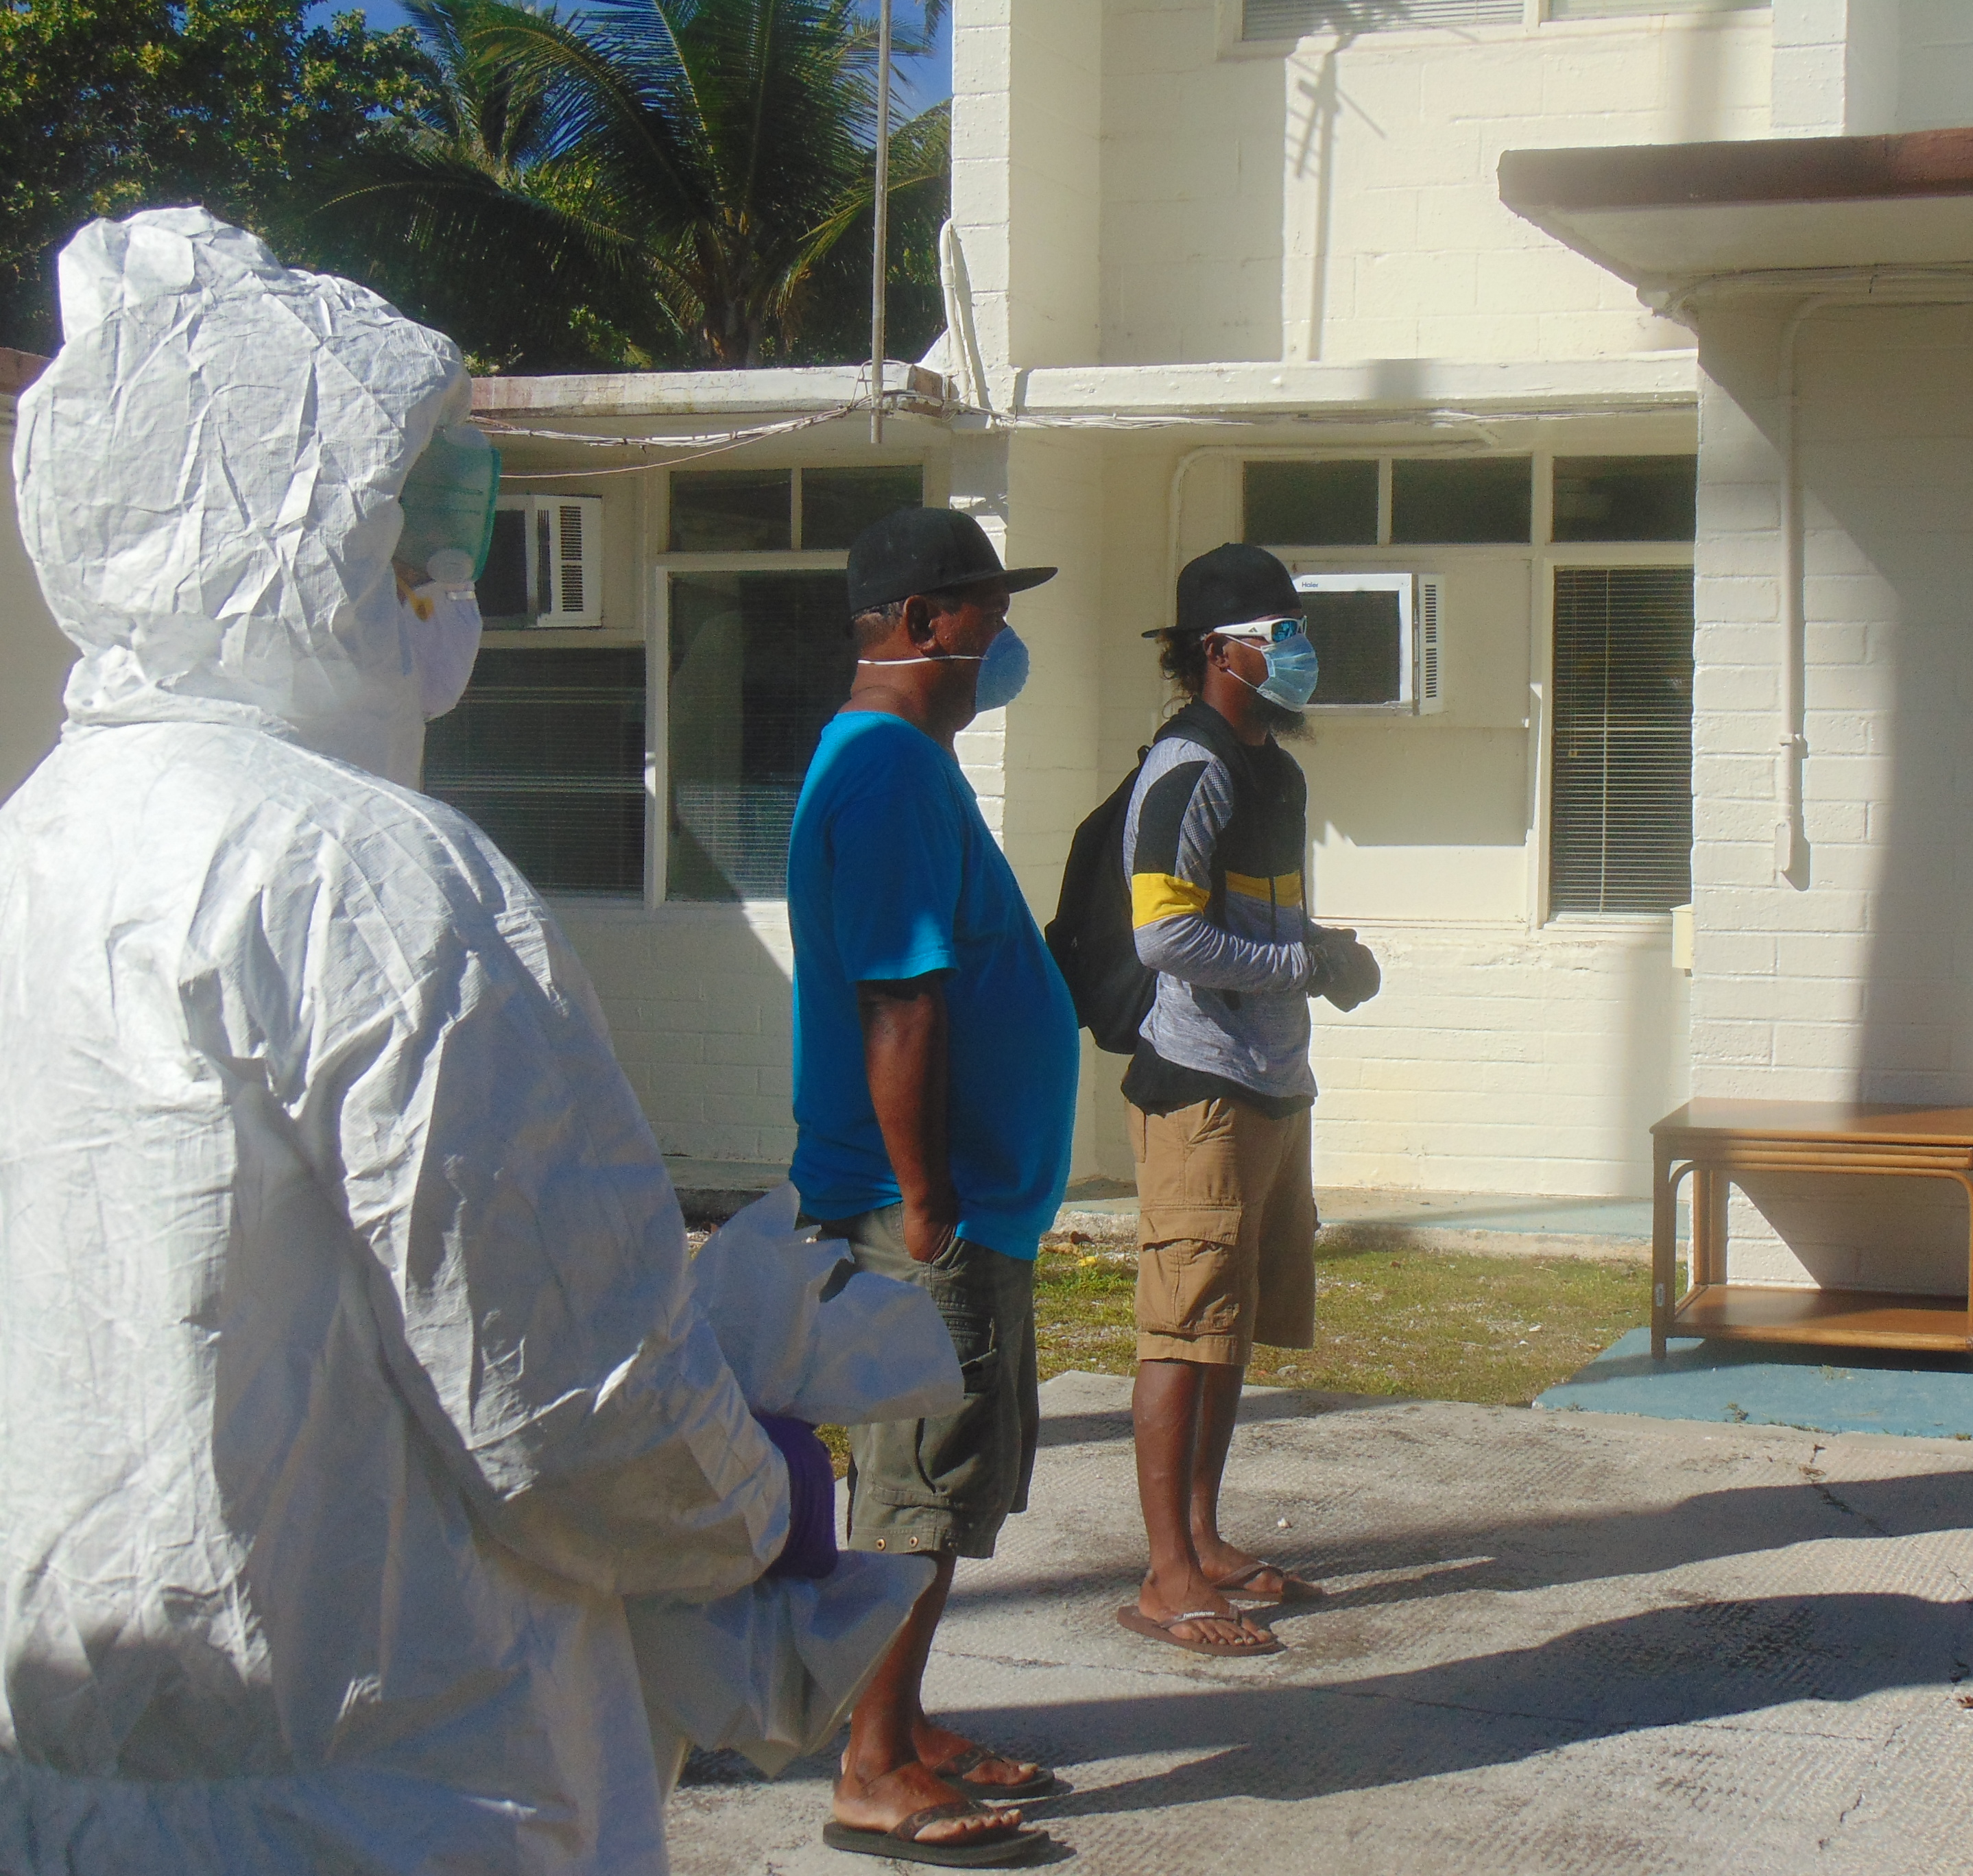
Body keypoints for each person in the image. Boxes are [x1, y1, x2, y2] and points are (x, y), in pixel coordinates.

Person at [0, 208, 852, 1875]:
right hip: (401, 1785)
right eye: (415, 514)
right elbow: (567, 1397)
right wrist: (751, 1496)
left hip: (83, 1772)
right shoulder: (360, 871)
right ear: (272, 531)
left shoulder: (41, 841)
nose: (445, 568)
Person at [786, 506, 1077, 1866]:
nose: (1000, 637)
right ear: (920, 625)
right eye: (985, 609)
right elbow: (900, 1001)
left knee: (944, 1493)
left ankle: (906, 1731)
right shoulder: (892, 772)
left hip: (960, 1200)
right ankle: (871, 1769)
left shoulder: (901, 763)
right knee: (914, 1498)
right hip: (926, 1210)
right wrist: (925, 1201)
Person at [1115, 543, 1380, 1658]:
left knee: (1226, 1328)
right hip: (1201, 1090)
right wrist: (1303, 969)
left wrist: (1323, 950)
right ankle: (1165, 1574)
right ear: (1219, 650)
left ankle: (1205, 1540)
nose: (1301, 649)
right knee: (1183, 1329)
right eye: (1283, 633)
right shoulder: (1191, 762)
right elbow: (1163, 931)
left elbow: (1260, 924)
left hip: (1271, 1081)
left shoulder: (1273, 766)